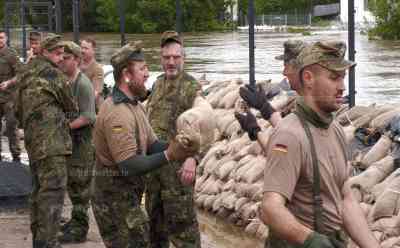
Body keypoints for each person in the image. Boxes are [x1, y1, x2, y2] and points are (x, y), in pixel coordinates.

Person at [259, 41, 380, 248]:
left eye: (343, 78)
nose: (342, 86)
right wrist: (310, 240)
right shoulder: (290, 135)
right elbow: (270, 208)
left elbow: (345, 200)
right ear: (308, 79)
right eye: (334, 78)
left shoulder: (336, 131)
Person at [91, 41, 197, 248]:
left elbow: (152, 144)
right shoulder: (117, 113)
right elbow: (128, 165)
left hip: (127, 196)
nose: (147, 74)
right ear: (126, 75)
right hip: (113, 200)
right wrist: (170, 155)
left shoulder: (134, 105)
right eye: (142, 69)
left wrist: (181, 149)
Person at [16, 34, 77, 248]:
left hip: (33, 143)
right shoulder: (55, 75)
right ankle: (49, 242)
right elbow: (72, 108)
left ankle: (38, 240)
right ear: (45, 52)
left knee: (37, 192)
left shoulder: (25, 72)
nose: (61, 57)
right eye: (57, 53)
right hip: (53, 144)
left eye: (63, 53)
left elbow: (16, 109)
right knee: (53, 194)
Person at [145, 30, 201, 248]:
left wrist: (193, 159)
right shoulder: (157, 84)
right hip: (154, 172)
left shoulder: (191, 87)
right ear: (161, 59)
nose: (171, 62)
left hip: (177, 175)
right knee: (154, 227)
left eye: (176, 57)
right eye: (167, 57)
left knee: (183, 230)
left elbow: (204, 127)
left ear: (183, 59)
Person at [58, 41, 96, 243]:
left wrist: (65, 127)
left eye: (66, 58)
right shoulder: (64, 81)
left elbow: (89, 116)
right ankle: (74, 221)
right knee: (72, 185)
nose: (62, 61)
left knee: (81, 189)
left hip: (82, 146)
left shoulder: (83, 84)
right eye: (61, 57)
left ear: (77, 60)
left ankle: (80, 230)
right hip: (69, 144)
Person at [235, 40, 306, 139]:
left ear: (301, 69)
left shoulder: (315, 102)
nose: (284, 73)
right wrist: (264, 109)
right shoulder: (304, 99)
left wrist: (264, 110)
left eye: (286, 66)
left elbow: (294, 141)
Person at [0, 29, 22, 162]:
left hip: (9, 97)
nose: (0, 40)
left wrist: (9, 82)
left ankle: (16, 155)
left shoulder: (11, 54)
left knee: (11, 125)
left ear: (6, 39)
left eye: (2, 38)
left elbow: (20, 74)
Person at [80, 36, 104, 110]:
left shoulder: (97, 69)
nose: (82, 51)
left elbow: (95, 93)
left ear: (93, 50)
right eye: (81, 48)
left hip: (93, 108)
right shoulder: (76, 63)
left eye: (86, 48)